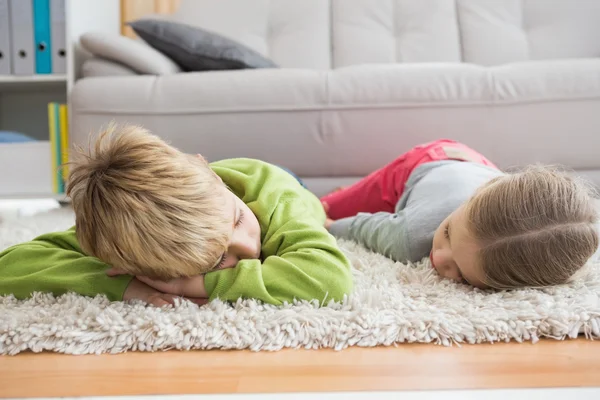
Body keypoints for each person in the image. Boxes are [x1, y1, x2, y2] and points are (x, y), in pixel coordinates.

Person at [0, 124, 353, 306]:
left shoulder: (272, 197)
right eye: (217, 261)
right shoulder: (128, 238)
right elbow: (11, 265)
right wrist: (125, 285)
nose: (248, 249)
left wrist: (192, 283)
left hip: (284, 179)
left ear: (207, 170)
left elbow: (329, 281)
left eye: (237, 221)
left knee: (349, 210)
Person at [321, 139, 599, 289]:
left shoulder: (539, 238)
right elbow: (366, 228)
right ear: (479, 195)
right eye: (447, 233)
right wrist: (331, 225)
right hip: (428, 161)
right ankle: (349, 193)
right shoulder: (411, 235)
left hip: (480, 167)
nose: (439, 258)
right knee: (328, 205)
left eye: (463, 276)